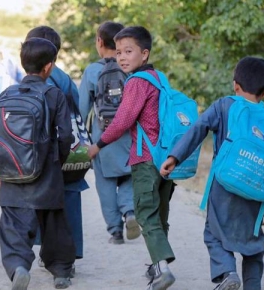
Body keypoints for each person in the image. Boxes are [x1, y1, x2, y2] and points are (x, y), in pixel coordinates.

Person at [160, 56, 264, 290]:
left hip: (223, 186)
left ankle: (227, 273)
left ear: (235, 84)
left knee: (214, 234)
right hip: (256, 193)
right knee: (253, 246)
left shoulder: (224, 105)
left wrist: (174, 157)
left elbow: (198, 128)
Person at [87, 26, 177, 290]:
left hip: (146, 159)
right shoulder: (159, 78)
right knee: (159, 215)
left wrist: (97, 145)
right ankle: (156, 265)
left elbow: (122, 121)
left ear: (145, 53)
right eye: (118, 53)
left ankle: (163, 270)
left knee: (146, 215)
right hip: (165, 159)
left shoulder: (136, 82)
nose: (122, 58)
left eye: (129, 51)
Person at [0, 37, 76, 290]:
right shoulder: (53, 94)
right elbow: (65, 135)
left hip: (11, 169)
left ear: (23, 64)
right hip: (46, 170)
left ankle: (19, 266)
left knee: (12, 224)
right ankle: (61, 272)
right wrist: (58, 161)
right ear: (48, 67)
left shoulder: (6, 93)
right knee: (54, 220)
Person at [24, 25, 89, 273]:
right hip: (71, 148)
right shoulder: (65, 78)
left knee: (45, 200)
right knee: (69, 200)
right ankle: (68, 256)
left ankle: (55, 256)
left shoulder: (44, 80)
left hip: (50, 152)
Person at [78, 21, 140, 245]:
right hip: (128, 135)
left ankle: (115, 231)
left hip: (102, 137)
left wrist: (81, 142)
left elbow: (81, 109)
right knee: (128, 176)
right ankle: (130, 212)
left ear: (99, 42)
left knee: (105, 183)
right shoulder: (130, 67)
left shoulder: (93, 71)